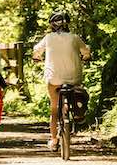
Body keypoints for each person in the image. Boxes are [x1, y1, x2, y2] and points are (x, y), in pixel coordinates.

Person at [32, 10, 91, 151]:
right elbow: (86, 50)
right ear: (67, 23)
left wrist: (37, 57)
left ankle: (53, 140)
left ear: (52, 25)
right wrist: (86, 57)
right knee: (76, 91)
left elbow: (36, 50)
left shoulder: (48, 38)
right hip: (74, 77)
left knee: (54, 109)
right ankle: (76, 112)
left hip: (54, 79)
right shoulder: (75, 38)